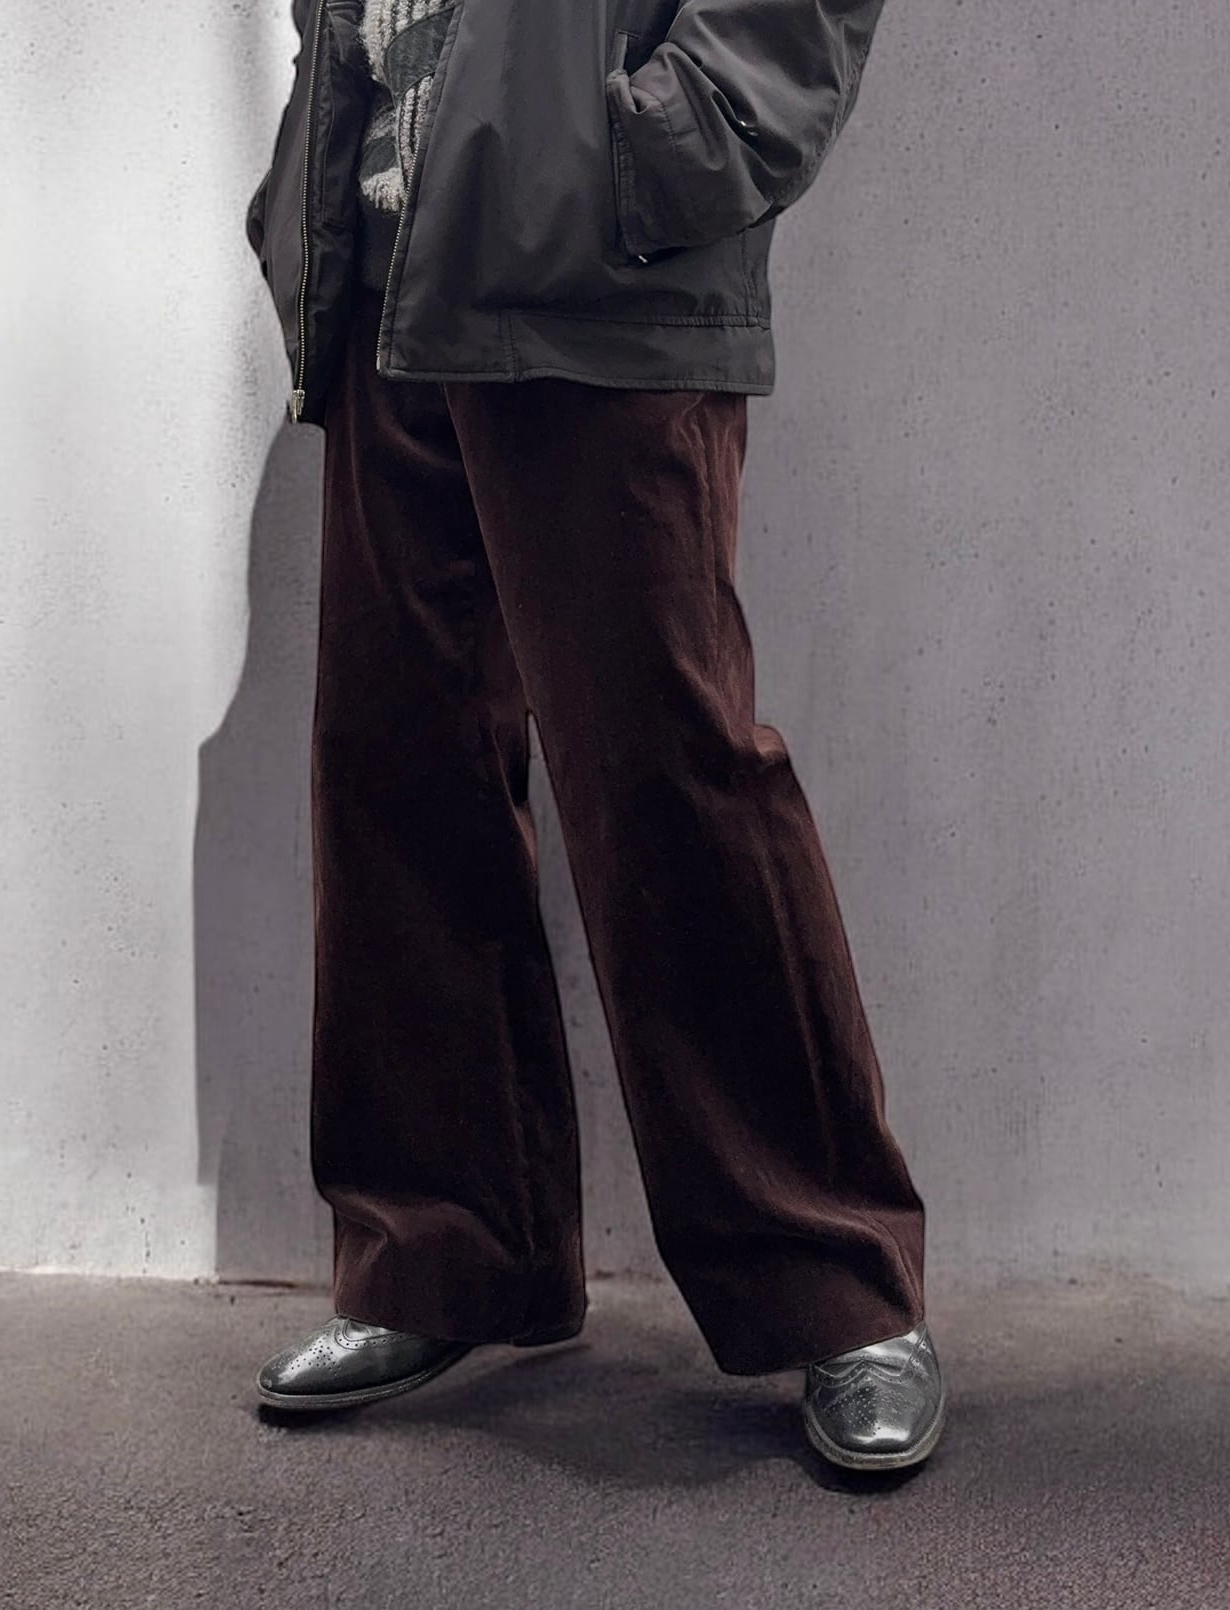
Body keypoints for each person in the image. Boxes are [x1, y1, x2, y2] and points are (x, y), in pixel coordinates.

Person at [244, 0, 946, 1472]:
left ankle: (835, 1283)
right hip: (386, 264)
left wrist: (652, 149)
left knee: (668, 780)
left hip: (595, 266)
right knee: (397, 771)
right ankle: (442, 1256)